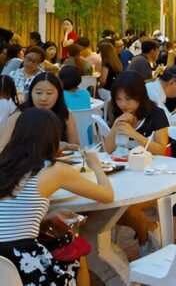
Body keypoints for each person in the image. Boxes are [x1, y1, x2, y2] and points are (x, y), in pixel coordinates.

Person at [0, 108, 114, 285]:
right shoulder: (53, 171)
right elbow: (107, 195)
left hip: (4, 266)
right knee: (74, 246)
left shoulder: (4, 164)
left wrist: (46, 216)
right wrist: (95, 165)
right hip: (23, 264)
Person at [103, 71, 169, 253]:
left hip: (155, 176)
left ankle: (144, 235)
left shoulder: (155, 113)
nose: (123, 104)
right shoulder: (118, 113)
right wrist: (116, 126)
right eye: (119, 99)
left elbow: (161, 149)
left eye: (129, 99)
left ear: (140, 96)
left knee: (123, 208)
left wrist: (134, 134)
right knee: (106, 206)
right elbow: (106, 150)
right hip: (125, 176)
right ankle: (146, 229)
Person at [21, 72, 79, 149]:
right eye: (38, 92)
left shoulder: (65, 114)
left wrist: (65, 146)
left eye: (49, 93)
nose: (43, 98)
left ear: (59, 94)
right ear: (31, 92)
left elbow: (76, 146)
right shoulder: (20, 113)